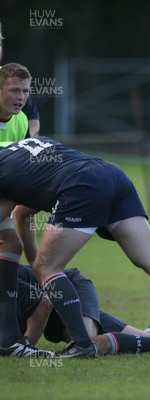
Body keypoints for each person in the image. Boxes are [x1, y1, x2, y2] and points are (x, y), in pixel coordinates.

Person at [0, 136, 150, 358]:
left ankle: (83, 346)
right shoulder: (24, 150)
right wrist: (34, 262)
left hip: (80, 185)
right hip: (111, 174)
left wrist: (39, 268)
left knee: (48, 268)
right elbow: (22, 212)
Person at [16, 264, 150, 355]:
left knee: (87, 346)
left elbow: (42, 304)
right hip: (60, 311)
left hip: (72, 290)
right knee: (147, 336)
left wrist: (25, 348)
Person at [0, 62, 51, 358]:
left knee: (12, 242)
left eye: (25, 91)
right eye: (14, 91)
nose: (21, 97)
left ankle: (14, 339)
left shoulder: (20, 120)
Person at [0, 20, 40, 136]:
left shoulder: (9, 77)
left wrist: (28, 145)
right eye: (14, 91)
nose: (20, 96)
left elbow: (33, 118)